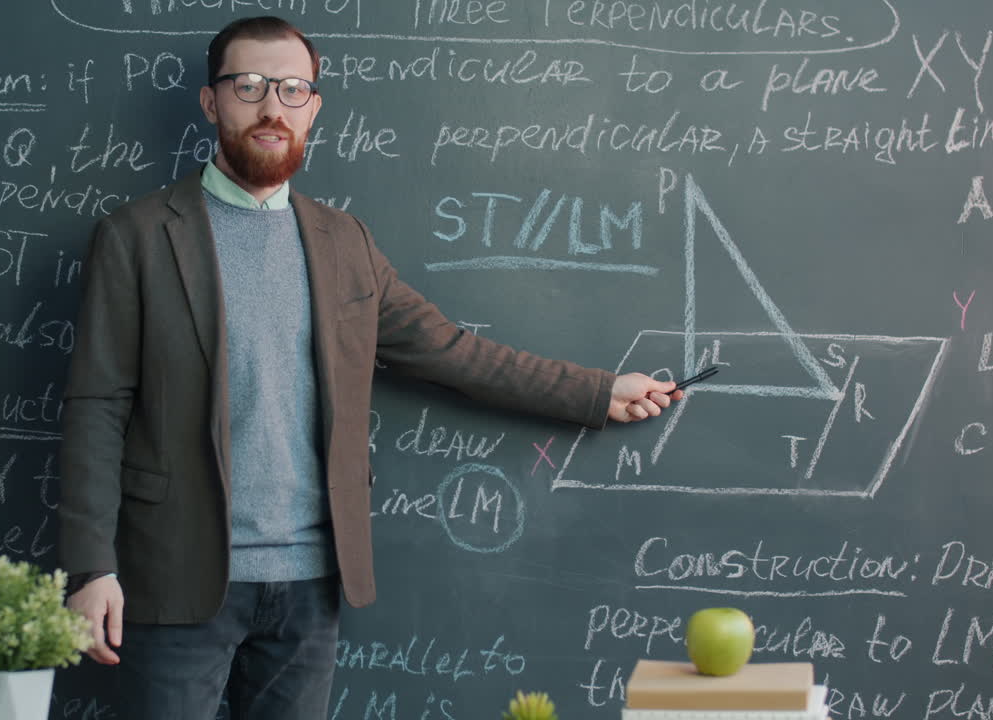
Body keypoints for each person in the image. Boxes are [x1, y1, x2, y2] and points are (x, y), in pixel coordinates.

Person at [58, 15, 682, 719]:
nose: (272, 107)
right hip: (175, 579)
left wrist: (599, 393)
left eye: (293, 89)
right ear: (212, 102)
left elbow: (454, 351)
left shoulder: (343, 241)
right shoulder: (136, 236)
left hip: (313, 586)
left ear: (314, 108)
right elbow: (96, 406)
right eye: (250, 85)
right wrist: (91, 567)